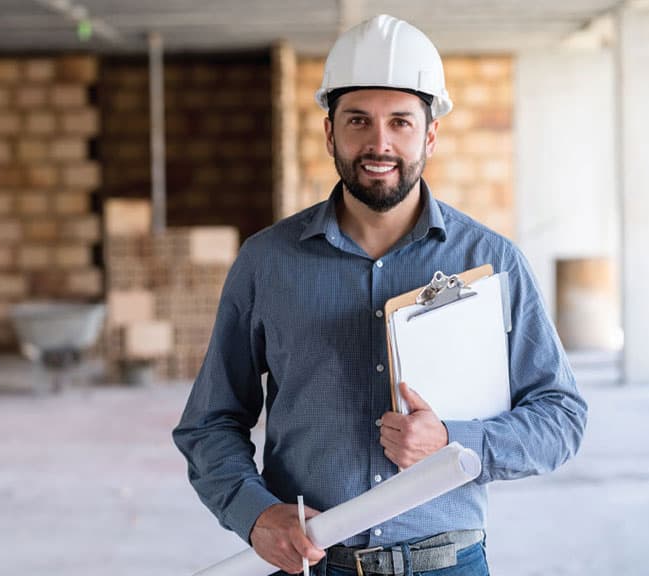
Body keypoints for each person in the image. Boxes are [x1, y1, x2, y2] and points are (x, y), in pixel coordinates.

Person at [173, 13, 587, 576]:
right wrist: (256, 514)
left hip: (448, 564)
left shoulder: (491, 264)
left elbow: (560, 419)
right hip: (315, 564)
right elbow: (209, 423)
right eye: (358, 121)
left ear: (430, 135)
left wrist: (453, 443)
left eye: (400, 122)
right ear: (329, 132)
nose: (379, 142)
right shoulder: (266, 263)